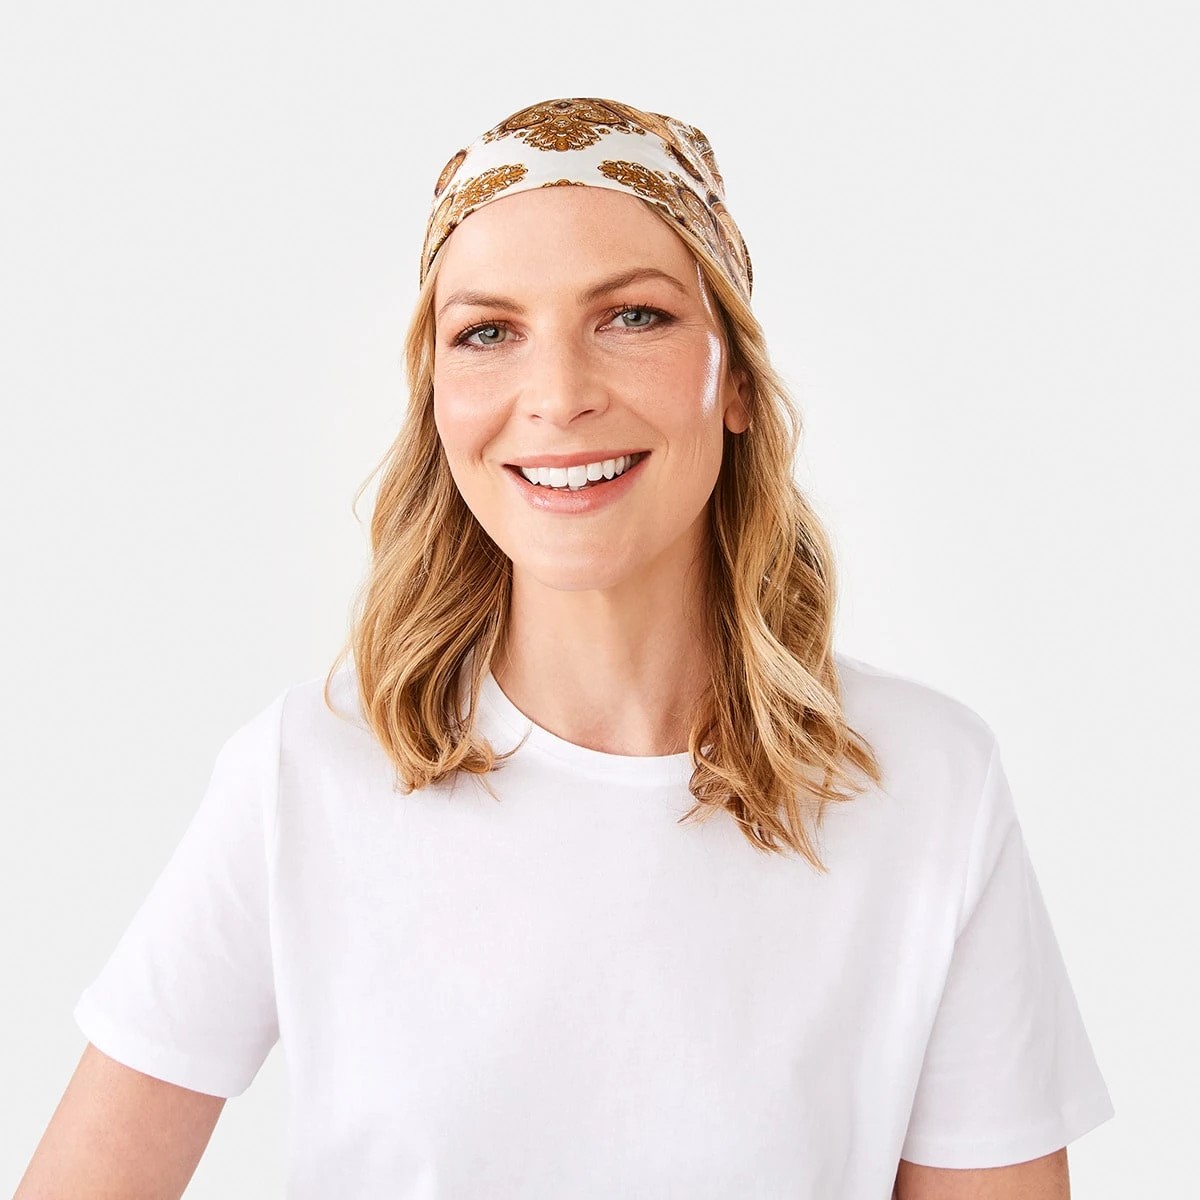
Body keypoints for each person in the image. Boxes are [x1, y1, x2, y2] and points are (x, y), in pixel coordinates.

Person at [17, 97, 1114, 1199]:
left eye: (633, 316)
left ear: (735, 380)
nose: (557, 398)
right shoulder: (303, 774)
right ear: (438, 399)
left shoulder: (924, 783)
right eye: (488, 333)